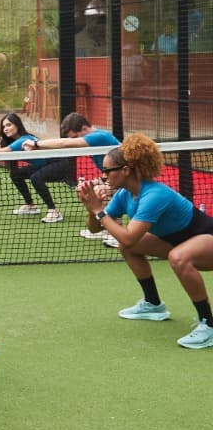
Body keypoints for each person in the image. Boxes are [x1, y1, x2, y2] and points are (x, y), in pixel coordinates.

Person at [79, 134, 213, 348]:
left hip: (207, 239)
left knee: (177, 257)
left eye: (107, 170)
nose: (103, 176)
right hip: (179, 240)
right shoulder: (124, 195)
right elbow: (95, 228)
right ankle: (153, 304)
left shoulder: (154, 195)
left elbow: (129, 236)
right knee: (128, 248)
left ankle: (209, 324)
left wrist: (98, 210)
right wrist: (91, 209)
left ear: (125, 170)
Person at [21, 112, 121, 242]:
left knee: (102, 191)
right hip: (117, 177)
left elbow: (64, 143)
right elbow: (108, 172)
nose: (74, 141)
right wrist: (93, 182)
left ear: (84, 128)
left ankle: (116, 234)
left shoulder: (100, 137)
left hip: (132, 179)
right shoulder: (95, 143)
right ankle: (103, 228)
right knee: (89, 190)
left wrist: (36, 144)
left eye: (75, 137)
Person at [0, 111, 73, 225]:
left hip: (59, 164)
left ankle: (54, 211)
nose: (5, 129)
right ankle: (30, 206)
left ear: (17, 125)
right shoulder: (13, 141)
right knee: (16, 174)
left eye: (9, 125)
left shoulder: (22, 140)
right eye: (3, 127)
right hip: (43, 164)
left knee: (36, 178)